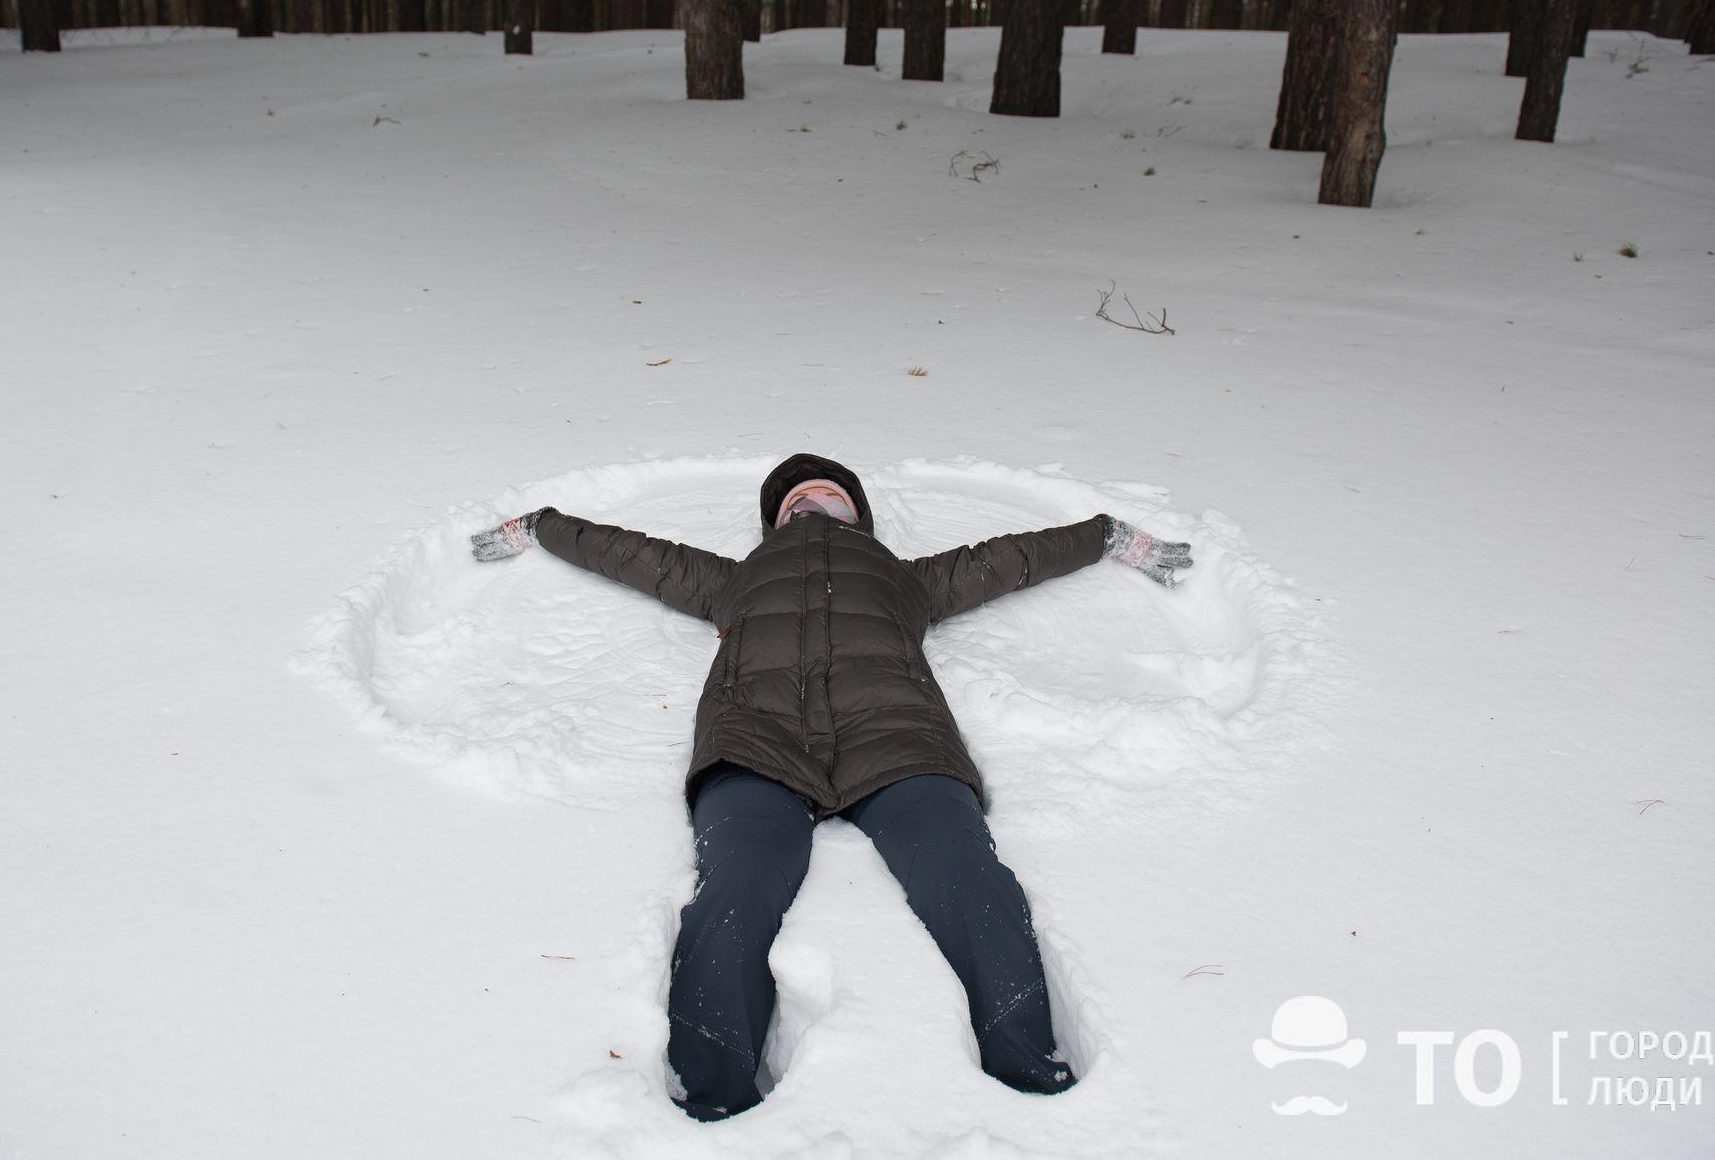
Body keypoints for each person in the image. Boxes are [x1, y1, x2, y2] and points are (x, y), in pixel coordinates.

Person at [470, 454, 1192, 1121]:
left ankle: (1034, 1079)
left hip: (900, 737)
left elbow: (1010, 560)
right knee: (735, 887)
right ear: (776, 523)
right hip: (757, 738)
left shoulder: (905, 578)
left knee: (969, 877)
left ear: (858, 519)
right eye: (797, 502)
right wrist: (545, 527)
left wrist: (1106, 536)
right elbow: (635, 556)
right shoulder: (735, 577)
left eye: (831, 497)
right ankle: (713, 1097)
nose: (813, 505)